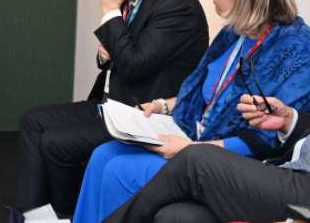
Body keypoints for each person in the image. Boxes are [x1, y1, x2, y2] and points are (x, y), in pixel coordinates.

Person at [70, 0, 310, 223]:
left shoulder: (296, 50)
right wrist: (164, 106)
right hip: (192, 137)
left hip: (231, 160)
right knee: (103, 155)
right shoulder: (234, 34)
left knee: (118, 170)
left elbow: (267, 139)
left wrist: (189, 149)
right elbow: (206, 93)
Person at [12, 0, 208, 220]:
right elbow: (121, 53)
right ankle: (31, 213)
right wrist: (105, 55)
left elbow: (134, 65)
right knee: (32, 120)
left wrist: (109, 11)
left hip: (143, 114)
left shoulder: (177, 7)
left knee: (55, 144)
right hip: (113, 103)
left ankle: (67, 215)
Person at [104, 93, 310, 222]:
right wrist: (289, 120)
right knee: (175, 216)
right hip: (289, 172)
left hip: (302, 190)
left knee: (195, 159)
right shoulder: (227, 43)